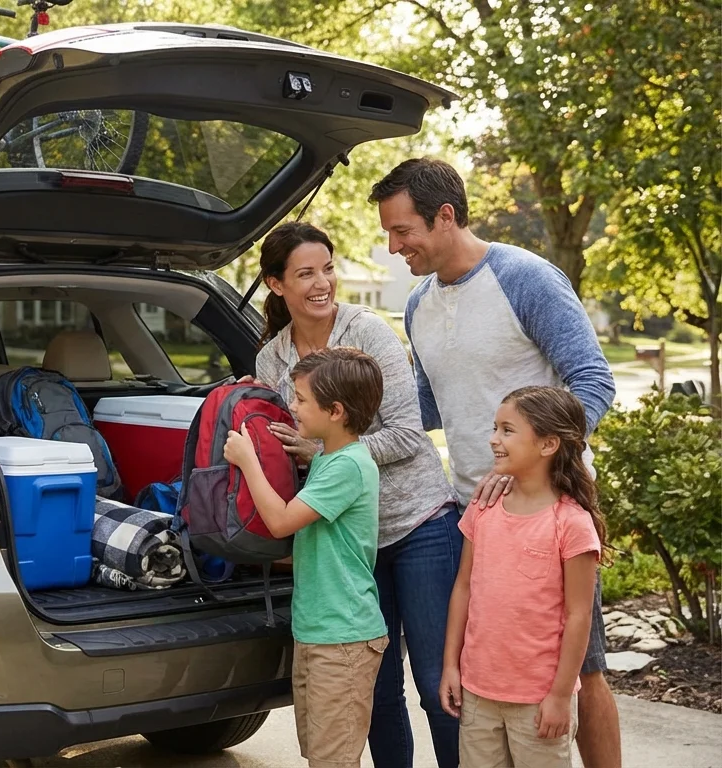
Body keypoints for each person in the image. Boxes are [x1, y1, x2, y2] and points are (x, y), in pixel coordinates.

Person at [371, 157, 621, 768]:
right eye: (389, 233)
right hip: (468, 513)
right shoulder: (417, 305)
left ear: (446, 216)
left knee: (580, 668)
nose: (394, 245)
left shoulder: (525, 278)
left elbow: (593, 381)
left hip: (548, 509)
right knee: (497, 671)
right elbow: (427, 406)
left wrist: (530, 469)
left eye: (403, 231)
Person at [253, 221, 463, 767]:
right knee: (376, 692)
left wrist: (322, 454)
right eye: (305, 273)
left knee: (438, 683)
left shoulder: (368, 332)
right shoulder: (271, 360)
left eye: (328, 267)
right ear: (277, 285)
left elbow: (405, 434)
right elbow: (287, 447)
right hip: (351, 544)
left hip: (418, 524)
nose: (322, 282)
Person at [224, 347, 389, 768]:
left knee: (334, 759)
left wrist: (248, 461)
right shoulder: (329, 459)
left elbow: (280, 522)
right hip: (318, 631)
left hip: (343, 640)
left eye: (299, 399)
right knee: (320, 754)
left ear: (335, 411)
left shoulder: (346, 467)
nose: (292, 406)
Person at [440, 386, 605, 767]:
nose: (493, 439)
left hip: (539, 700)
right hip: (478, 694)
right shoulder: (483, 509)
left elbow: (578, 616)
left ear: (548, 445)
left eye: (507, 430)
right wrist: (452, 665)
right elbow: (463, 588)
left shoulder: (572, 524)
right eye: (495, 428)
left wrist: (561, 696)